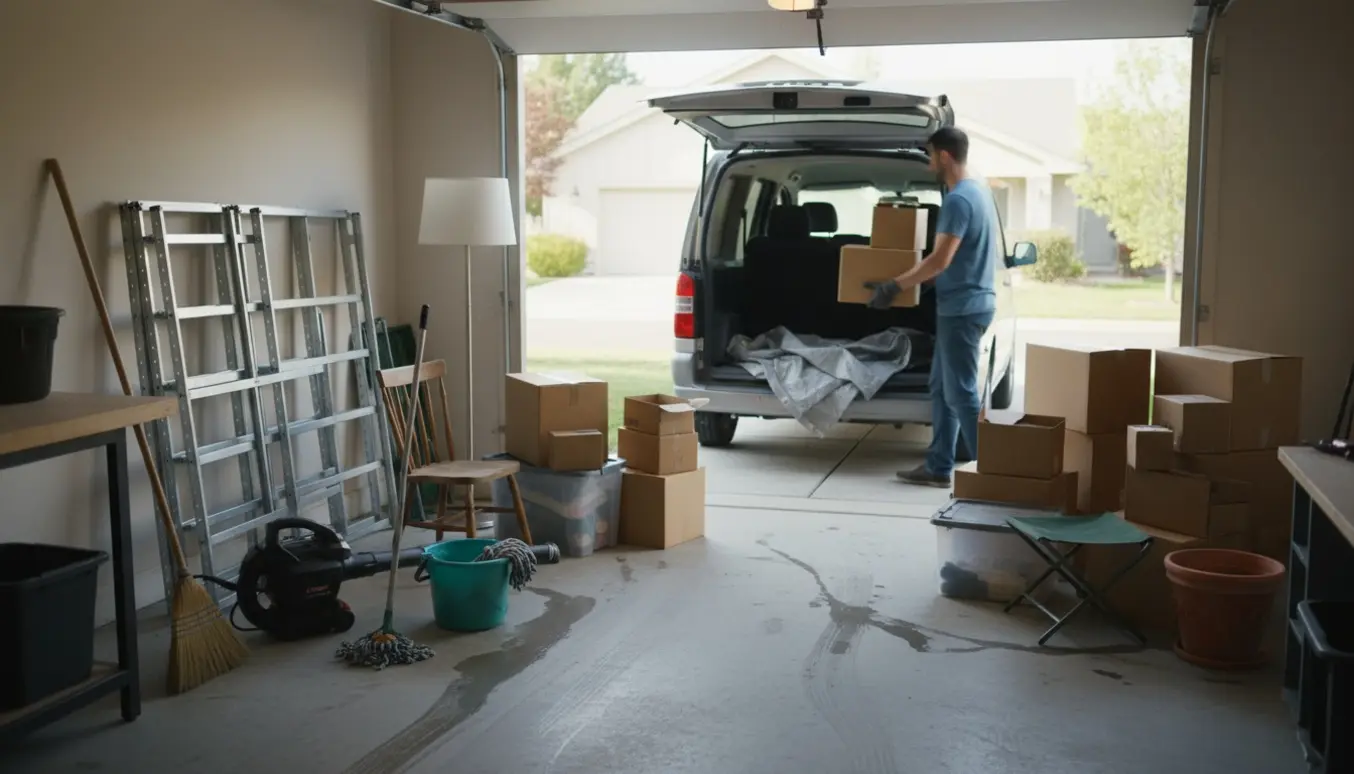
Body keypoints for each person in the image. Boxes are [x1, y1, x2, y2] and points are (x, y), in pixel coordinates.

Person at [865, 126, 998, 488]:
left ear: (943, 155)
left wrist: (896, 285)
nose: (928, 162)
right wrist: (924, 284)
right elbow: (959, 259)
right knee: (941, 387)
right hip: (966, 303)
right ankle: (939, 466)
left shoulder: (958, 200)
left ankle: (998, 474)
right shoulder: (979, 193)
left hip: (963, 309)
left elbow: (940, 259)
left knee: (961, 392)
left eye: (929, 155)